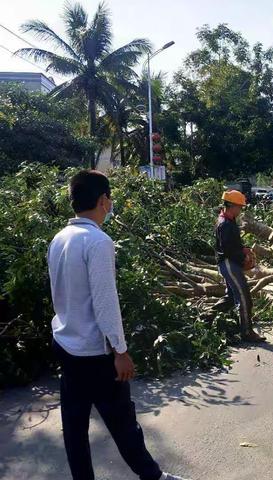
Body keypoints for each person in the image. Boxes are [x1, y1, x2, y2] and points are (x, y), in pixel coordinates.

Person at [47, 170, 190, 480]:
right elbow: (105, 302)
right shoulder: (98, 241)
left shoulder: (59, 238)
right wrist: (120, 351)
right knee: (123, 422)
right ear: (103, 201)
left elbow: (58, 292)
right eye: (108, 199)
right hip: (94, 353)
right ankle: (153, 476)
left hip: (65, 343)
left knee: (74, 426)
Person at [211, 190, 265, 342]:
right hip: (228, 263)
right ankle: (247, 332)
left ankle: (206, 317)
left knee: (230, 297)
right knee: (244, 297)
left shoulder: (228, 220)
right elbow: (228, 250)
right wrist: (244, 257)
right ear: (232, 205)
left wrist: (244, 248)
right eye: (239, 207)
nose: (241, 210)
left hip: (228, 262)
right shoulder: (225, 224)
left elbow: (233, 244)